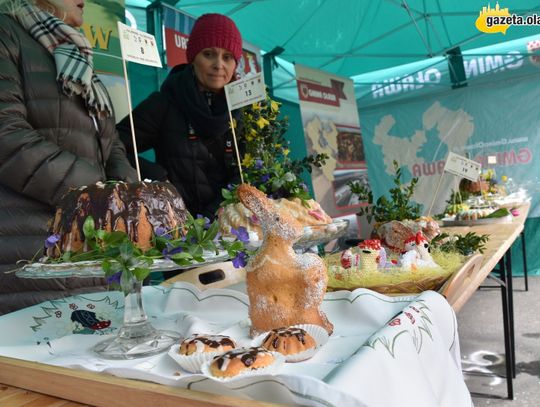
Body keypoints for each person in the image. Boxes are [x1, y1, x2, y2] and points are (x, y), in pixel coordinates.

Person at [0, 0, 137, 314]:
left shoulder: (75, 53)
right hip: (32, 252)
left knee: (96, 349)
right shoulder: (6, 32)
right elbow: (6, 136)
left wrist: (126, 188)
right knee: (43, 360)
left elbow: (109, 140)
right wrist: (97, 190)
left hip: (92, 251)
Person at [117, 13, 244, 218]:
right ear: (193, 58)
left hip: (230, 227)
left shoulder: (243, 110)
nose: (219, 65)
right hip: (173, 229)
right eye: (209, 54)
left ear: (235, 64)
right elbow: (113, 145)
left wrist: (217, 214)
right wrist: (156, 176)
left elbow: (247, 173)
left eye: (227, 57)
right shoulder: (164, 103)